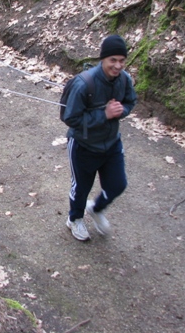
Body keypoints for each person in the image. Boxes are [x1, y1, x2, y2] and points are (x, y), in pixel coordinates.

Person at [61, 34, 137, 242]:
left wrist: (122, 110)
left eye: (122, 60)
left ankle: (96, 208)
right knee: (81, 189)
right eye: (113, 60)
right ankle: (74, 219)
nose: (118, 65)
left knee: (117, 185)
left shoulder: (124, 80)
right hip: (83, 145)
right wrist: (104, 115)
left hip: (111, 143)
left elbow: (131, 101)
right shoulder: (84, 84)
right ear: (102, 59)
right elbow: (71, 118)